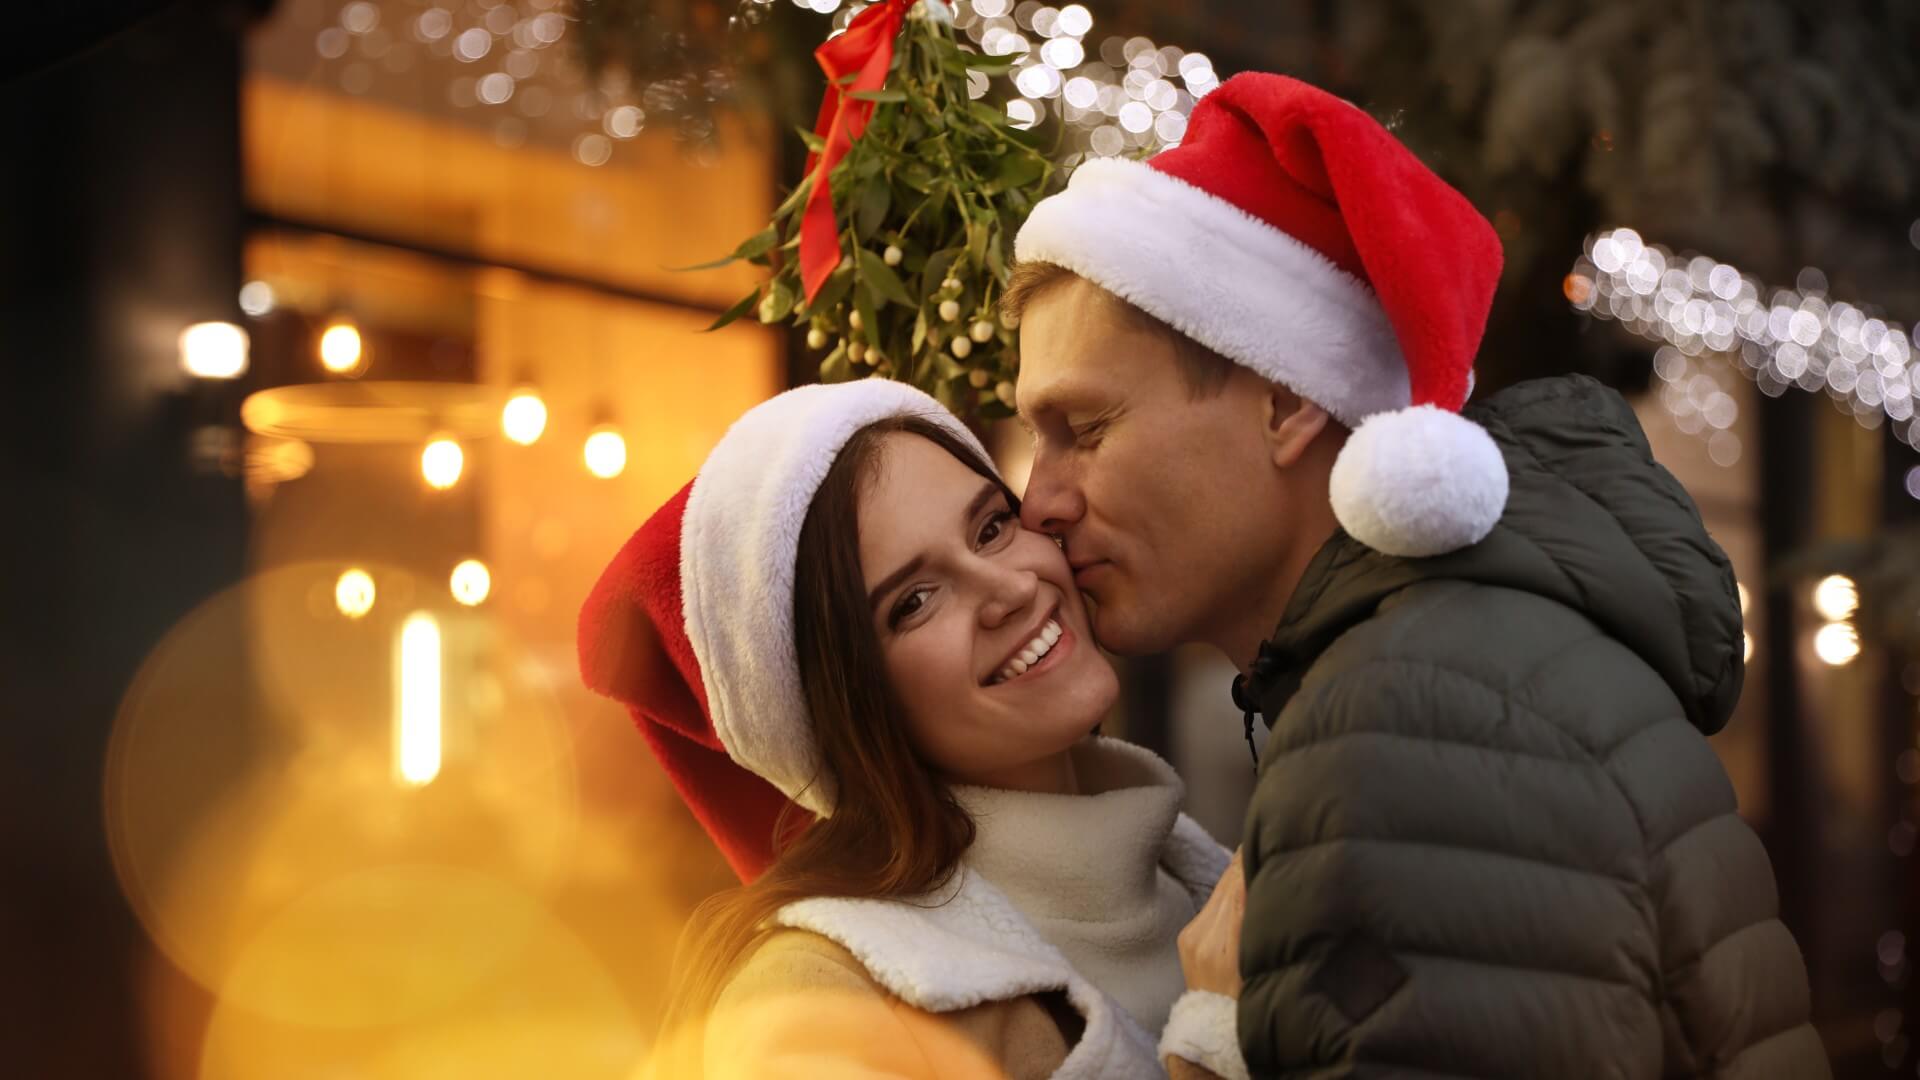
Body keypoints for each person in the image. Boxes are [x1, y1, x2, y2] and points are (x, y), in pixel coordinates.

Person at [1003, 72, 1828, 1076]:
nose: (1038, 499)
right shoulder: (1457, 658)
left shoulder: (1403, 722)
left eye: (1082, 430)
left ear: (1282, 403)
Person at [578, 380, 1251, 1079]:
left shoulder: (1200, 873)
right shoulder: (817, 995)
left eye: (991, 527)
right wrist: (1213, 1045)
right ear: (848, 708)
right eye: (915, 602)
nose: (1013, 589)